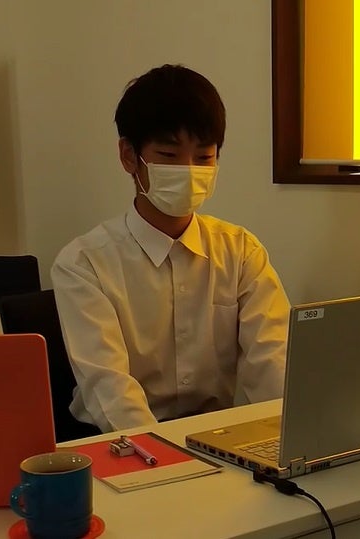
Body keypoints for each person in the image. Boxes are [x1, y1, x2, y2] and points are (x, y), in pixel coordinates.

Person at [51, 64, 290, 433]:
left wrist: (293, 435)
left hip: (214, 437)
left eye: (204, 157)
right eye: (168, 155)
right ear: (129, 156)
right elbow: (109, 390)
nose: (188, 170)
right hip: (118, 441)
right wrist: (167, 454)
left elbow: (274, 361)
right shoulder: (84, 264)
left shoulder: (241, 252)